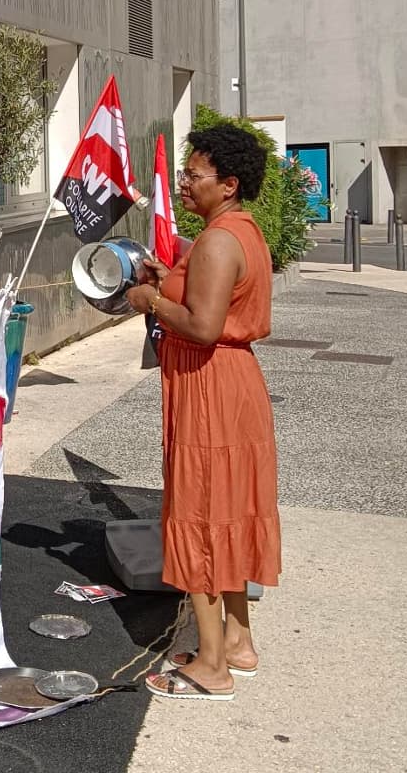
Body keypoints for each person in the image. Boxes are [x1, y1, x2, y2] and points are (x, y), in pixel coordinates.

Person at [124, 124, 282, 700]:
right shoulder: (238, 231)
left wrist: (152, 300)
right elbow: (212, 301)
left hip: (211, 386)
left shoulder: (218, 240)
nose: (185, 183)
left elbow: (203, 325)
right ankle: (237, 641)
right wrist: (171, 279)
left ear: (229, 183)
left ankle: (212, 666)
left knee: (202, 515)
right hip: (231, 385)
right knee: (230, 511)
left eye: (195, 174)